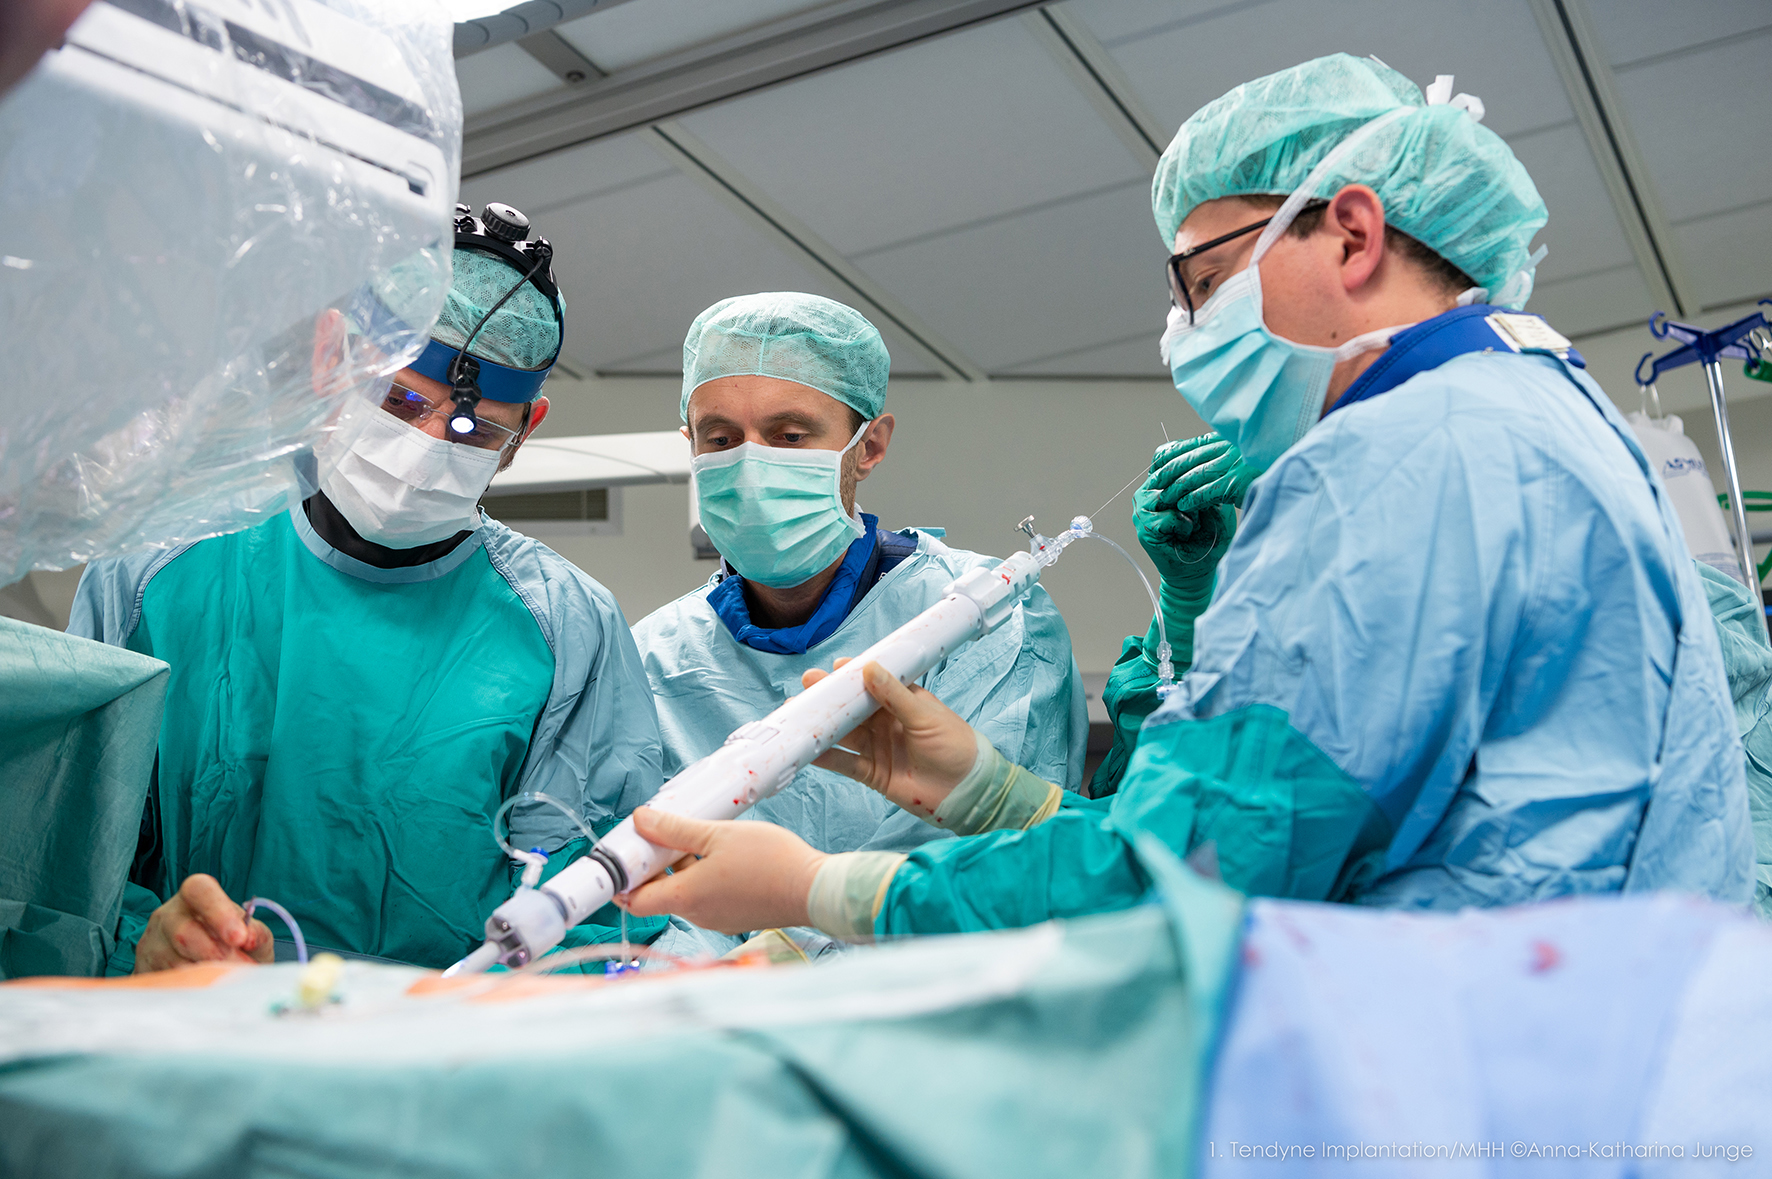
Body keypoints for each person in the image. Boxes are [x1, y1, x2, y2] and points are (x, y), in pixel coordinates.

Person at [615, 55, 1752, 941]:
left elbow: (1199, 870)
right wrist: (984, 791)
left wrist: (823, 889)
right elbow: (1316, 821)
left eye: (1206, 282)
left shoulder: (1395, 459)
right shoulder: (1541, 412)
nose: (1186, 334)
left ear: (1350, 231)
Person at [69, 204, 663, 972]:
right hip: (179, 1038)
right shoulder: (157, 564)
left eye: (471, 430)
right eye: (399, 401)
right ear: (330, 357)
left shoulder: (566, 628)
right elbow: (62, 848)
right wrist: (137, 941)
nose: (419, 452)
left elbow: (599, 903)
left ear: (527, 429)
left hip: (429, 1063)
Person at [629, 292, 1086, 950]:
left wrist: (788, 957)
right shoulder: (651, 659)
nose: (751, 464)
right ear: (690, 447)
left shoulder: (985, 620)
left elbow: (991, 863)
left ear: (868, 445)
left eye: (790, 435)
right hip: (714, 1030)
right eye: (721, 438)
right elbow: (634, 887)